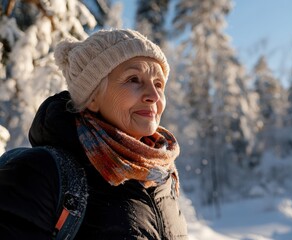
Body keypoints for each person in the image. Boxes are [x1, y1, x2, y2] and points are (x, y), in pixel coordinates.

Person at [0, 29, 188, 239]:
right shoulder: (39, 174)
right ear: (92, 98)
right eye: (134, 79)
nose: (153, 95)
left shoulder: (161, 177)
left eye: (159, 84)